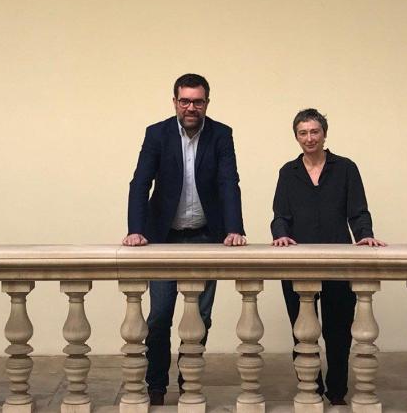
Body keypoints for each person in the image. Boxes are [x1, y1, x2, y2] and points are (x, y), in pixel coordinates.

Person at [123, 73, 246, 405]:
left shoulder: (221, 134)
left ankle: (188, 377)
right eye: (185, 101)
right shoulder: (157, 134)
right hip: (163, 238)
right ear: (175, 102)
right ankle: (157, 384)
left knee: (200, 318)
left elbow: (228, 182)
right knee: (159, 316)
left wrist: (234, 228)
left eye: (198, 101)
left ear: (207, 103)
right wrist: (136, 229)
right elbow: (140, 182)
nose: (191, 107)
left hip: (206, 237)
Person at [271, 108, 385, 406]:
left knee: (338, 331)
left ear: (324, 134)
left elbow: (358, 211)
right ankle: (310, 387)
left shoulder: (345, 168)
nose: (309, 138)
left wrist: (365, 235)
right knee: (302, 332)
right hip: (298, 263)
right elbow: (280, 215)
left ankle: (336, 391)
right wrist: (280, 234)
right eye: (303, 133)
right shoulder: (288, 172)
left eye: (314, 131)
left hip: (338, 260)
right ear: (296, 137)